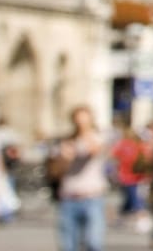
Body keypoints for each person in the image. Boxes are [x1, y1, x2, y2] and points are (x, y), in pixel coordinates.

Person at [52, 106, 111, 251]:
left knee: (94, 242)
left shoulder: (98, 137)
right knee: (68, 244)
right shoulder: (66, 141)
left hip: (92, 196)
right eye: (78, 119)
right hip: (69, 196)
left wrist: (85, 132)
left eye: (84, 119)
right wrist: (64, 158)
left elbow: (94, 150)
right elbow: (56, 169)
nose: (81, 122)